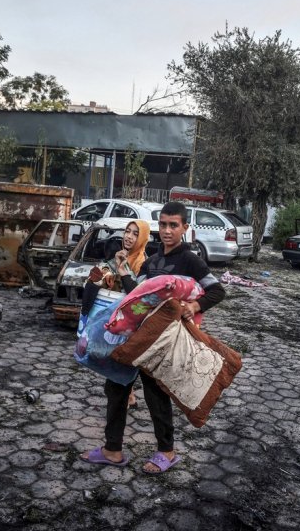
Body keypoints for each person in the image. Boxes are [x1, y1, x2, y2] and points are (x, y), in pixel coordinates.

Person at [81, 201, 226, 474]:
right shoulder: (153, 261)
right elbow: (137, 295)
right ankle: (112, 450)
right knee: (116, 386)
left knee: (156, 394)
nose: (168, 230)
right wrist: (124, 272)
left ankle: (166, 452)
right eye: (163, 225)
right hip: (138, 335)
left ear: (185, 227)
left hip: (164, 341)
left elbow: (217, 291)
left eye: (174, 225)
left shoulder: (189, 259)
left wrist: (192, 307)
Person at [79, 219, 151, 408]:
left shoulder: (146, 264)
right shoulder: (118, 257)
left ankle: (123, 398)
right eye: (127, 231)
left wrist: (123, 270)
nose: (129, 236)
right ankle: (127, 395)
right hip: (115, 318)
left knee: (124, 358)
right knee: (115, 356)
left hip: (134, 320)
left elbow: (139, 293)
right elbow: (95, 277)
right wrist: (103, 273)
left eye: (135, 233)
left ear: (143, 238)